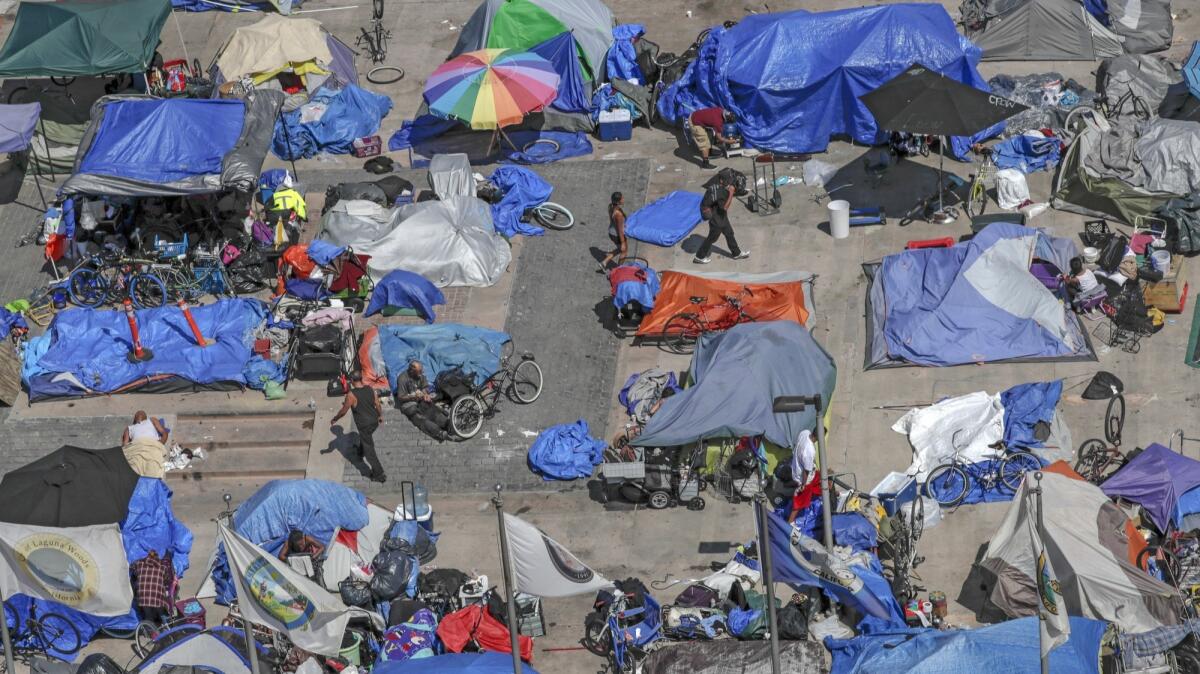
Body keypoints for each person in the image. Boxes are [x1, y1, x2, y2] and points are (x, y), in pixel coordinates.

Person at [332, 373, 387, 483]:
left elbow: (343, 411)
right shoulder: (370, 389)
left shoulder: (351, 395)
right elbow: (377, 404)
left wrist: (335, 418)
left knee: (369, 450)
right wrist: (380, 415)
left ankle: (379, 474)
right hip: (374, 421)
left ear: (352, 380)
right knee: (365, 439)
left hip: (364, 425)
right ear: (361, 379)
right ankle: (360, 452)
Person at [694, 172, 749, 264]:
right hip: (717, 218)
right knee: (712, 238)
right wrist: (731, 193)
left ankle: (736, 253)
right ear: (721, 181)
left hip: (719, 215)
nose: (730, 182)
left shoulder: (715, 186)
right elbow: (725, 207)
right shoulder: (721, 193)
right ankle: (699, 257)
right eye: (728, 180)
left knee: (729, 233)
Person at [395, 361, 451, 442]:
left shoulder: (420, 375)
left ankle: (446, 423)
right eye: (419, 371)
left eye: (421, 370)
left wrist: (425, 394)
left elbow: (425, 387)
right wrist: (412, 396)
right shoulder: (402, 378)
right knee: (419, 418)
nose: (422, 372)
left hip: (420, 400)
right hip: (409, 404)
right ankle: (438, 432)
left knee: (432, 410)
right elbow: (401, 397)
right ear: (412, 371)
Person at [130, 550, 172, 624]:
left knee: (148, 616)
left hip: (143, 598)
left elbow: (131, 568)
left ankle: (151, 631)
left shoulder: (139, 563)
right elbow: (166, 580)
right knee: (162, 613)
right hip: (158, 598)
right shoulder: (163, 567)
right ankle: (167, 626)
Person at [599, 192, 628, 271]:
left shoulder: (610, 206)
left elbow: (613, 221)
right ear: (618, 202)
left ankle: (604, 262)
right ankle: (618, 270)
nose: (623, 199)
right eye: (622, 198)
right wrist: (622, 242)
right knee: (624, 251)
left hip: (611, 232)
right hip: (617, 235)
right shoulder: (619, 214)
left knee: (619, 249)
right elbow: (619, 230)